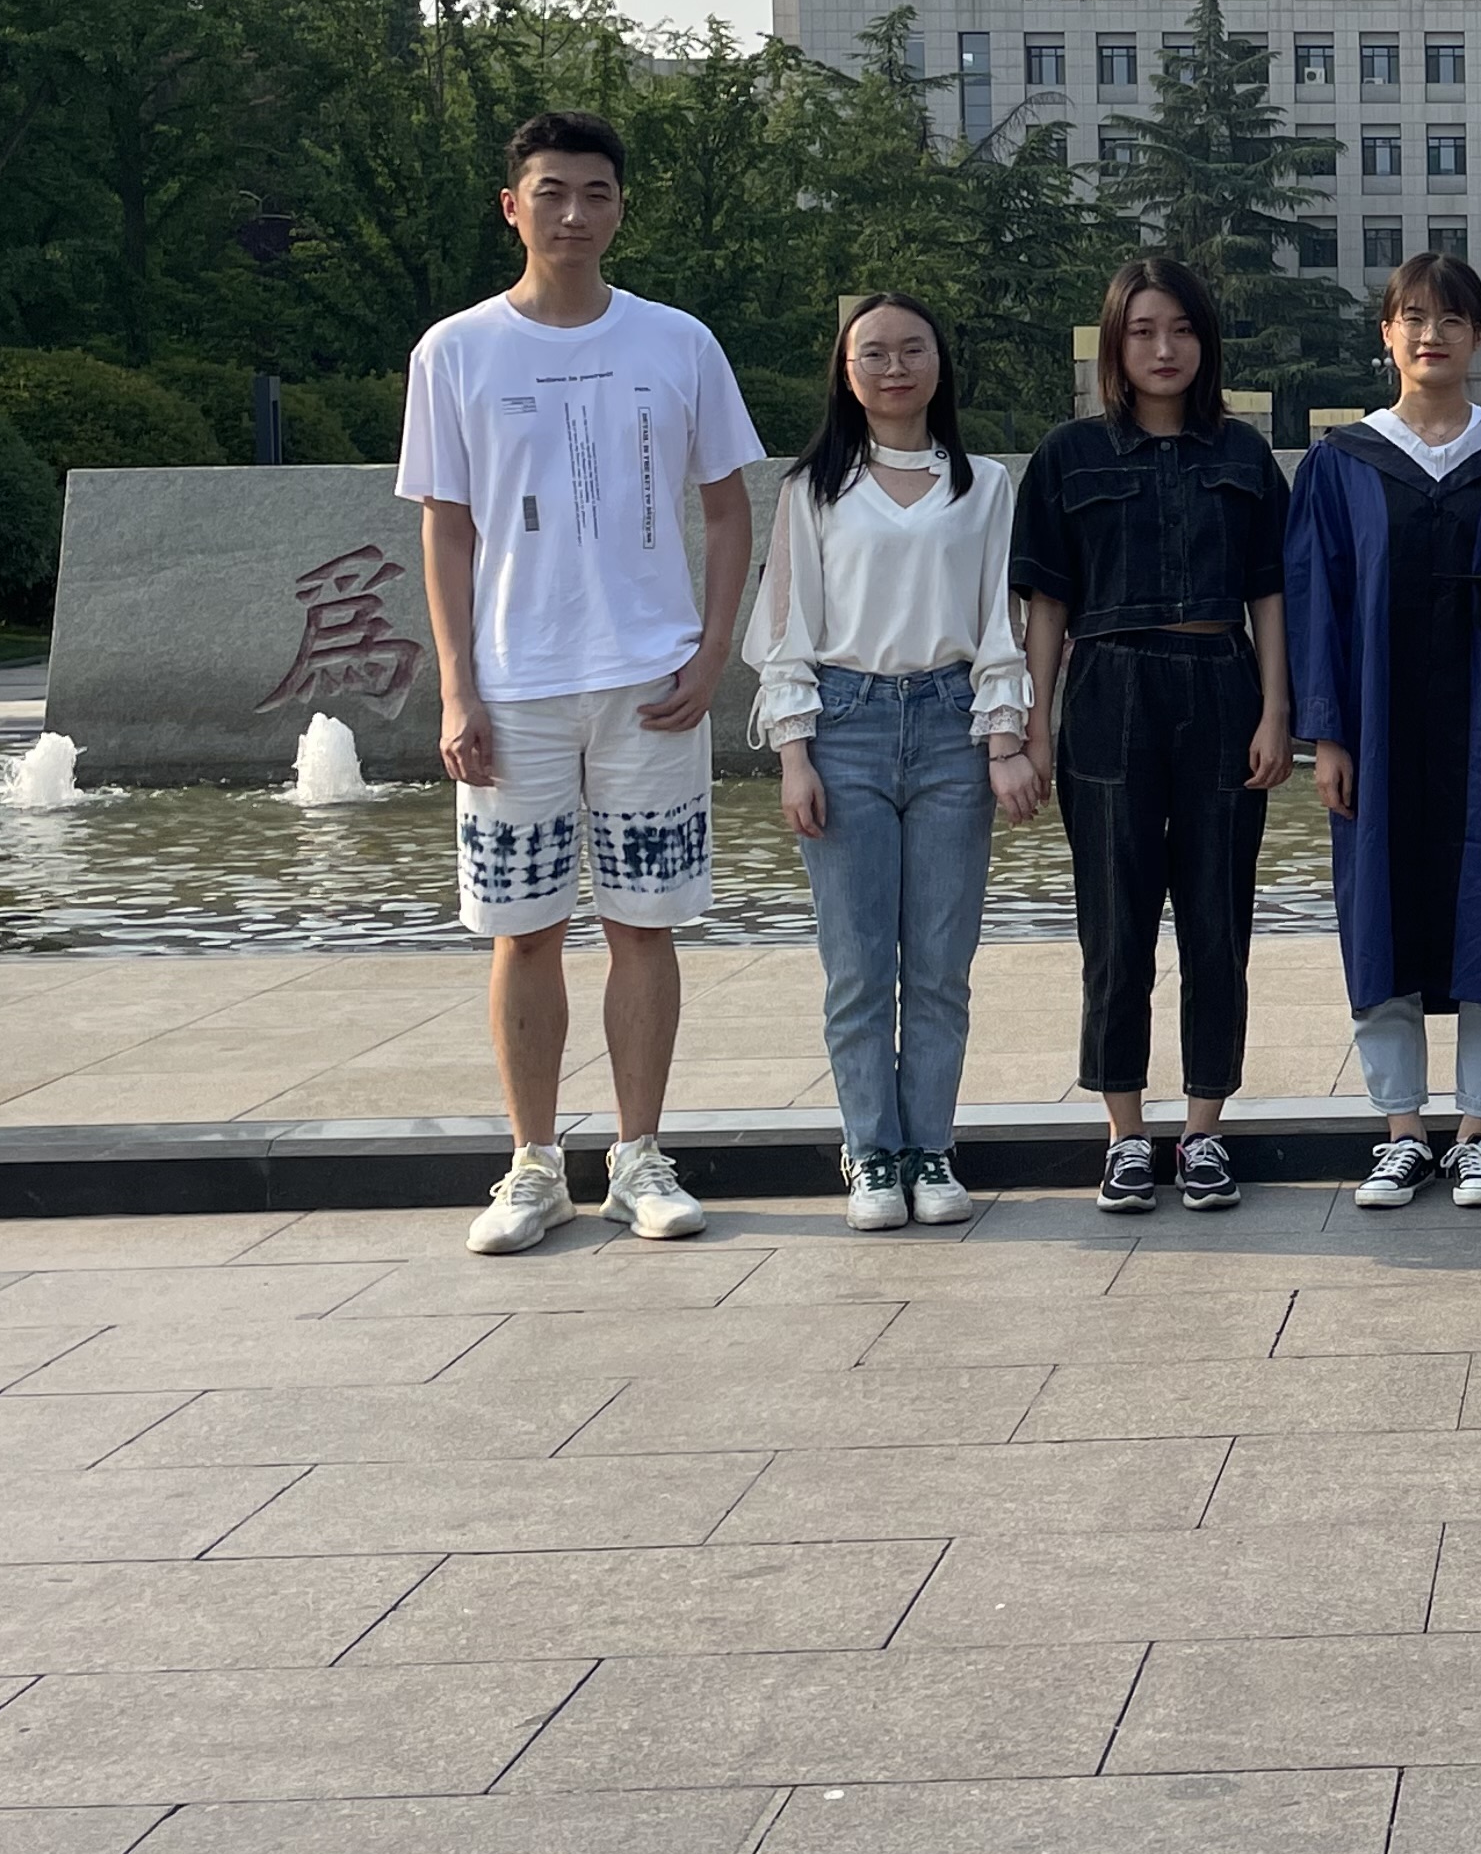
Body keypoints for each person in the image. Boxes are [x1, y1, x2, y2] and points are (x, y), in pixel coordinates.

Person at [398, 110, 764, 1256]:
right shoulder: (455, 350)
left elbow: (728, 509)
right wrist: (458, 689)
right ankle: (533, 1164)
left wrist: (713, 652)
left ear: (620, 208)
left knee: (643, 925)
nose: (573, 213)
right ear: (512, 207)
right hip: (517, 684)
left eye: (595, 193)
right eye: (550, 192)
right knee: (524, 929)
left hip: (650, 678)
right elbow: (446, 528)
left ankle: (640, 1156)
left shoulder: (678, 342)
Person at [1287, 254, 1481, 1213]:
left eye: (1452, 319)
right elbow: (1317, 606)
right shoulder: (1342, 464)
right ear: (1387, 334)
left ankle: (1479, 1133)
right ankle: (1402, 1132)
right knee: (1379, 919)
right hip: (1377, 738)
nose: (1432, 334)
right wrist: (1328, 737)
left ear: (1479, 337)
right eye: (1413, 317)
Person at [745, 293, 1042, 1233]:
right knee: (858, 966)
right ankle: (871, 1150)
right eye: (872, 353)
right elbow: (787, 632)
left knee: (942, 964)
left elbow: (1001, 623)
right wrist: (795, 756)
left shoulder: (983, 486)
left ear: (940, 363)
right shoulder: (813, 490)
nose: (895, 368)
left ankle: (931, 1149)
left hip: (954, 727)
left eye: (913, 350)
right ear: (846, 371)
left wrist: (1006, 740)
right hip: (847, 725)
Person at [1018, 255, 1292, 1218]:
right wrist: (1038, 726)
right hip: (1108, 687)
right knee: (1115, 921)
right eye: (1142, 331)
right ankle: (1126, 1135)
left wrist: (1276, 712)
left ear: (1204, 342)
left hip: (1219, 682)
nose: (1163, 349)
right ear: (1115, 344)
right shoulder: (1069, 455)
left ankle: (1204, 1130)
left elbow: (1270, 594)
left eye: (1180, 329)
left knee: (1218, 919)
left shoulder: (1244, 455)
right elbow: (1046, 604)